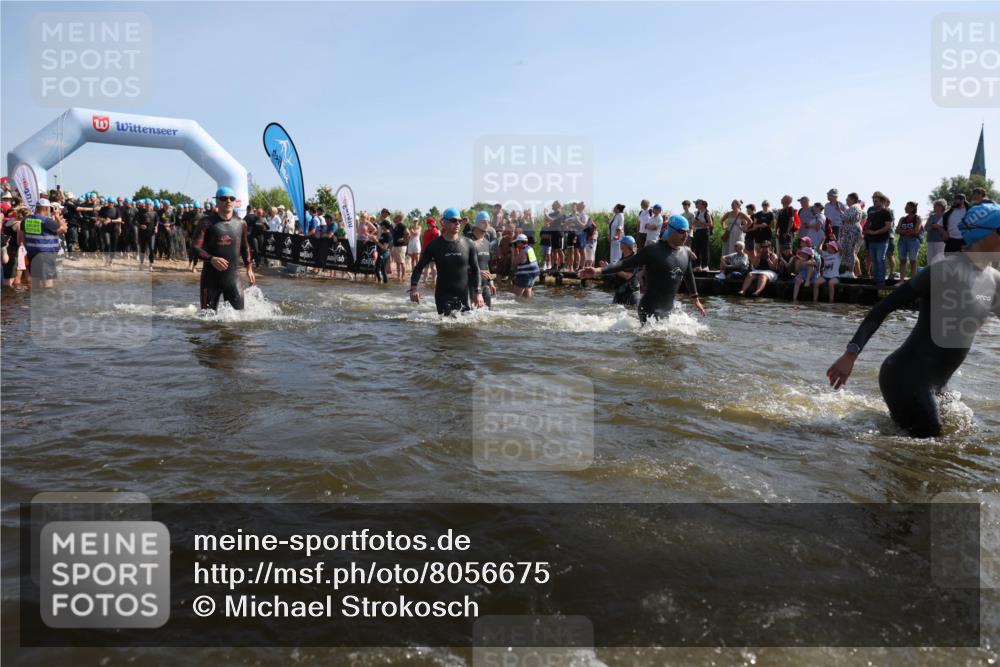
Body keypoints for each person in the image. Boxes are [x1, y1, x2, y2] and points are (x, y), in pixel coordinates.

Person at [827, 201, 1000, 438]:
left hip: (938, 384)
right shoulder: (944, 270)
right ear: (984, 234)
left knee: (967, 433)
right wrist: (851, 354)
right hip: (905, 376)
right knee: (931, 442)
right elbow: (883, 307)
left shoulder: (994, 280)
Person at [579, 215, 706, 322]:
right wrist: (599, 270)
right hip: (649, 308)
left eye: (687, 231)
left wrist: (695, 299)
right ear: (670, 230)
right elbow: (625, 264)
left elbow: (689, 275)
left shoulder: (686, 253)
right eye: (681, 231)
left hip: (668, 309)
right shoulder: (653, 251)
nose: (685, 235)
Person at [409, 207, 484, 315]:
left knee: (466, 329)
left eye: (459, 221)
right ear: (444, 222)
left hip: (464, 295)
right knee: (445, 327)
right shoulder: (434, 245)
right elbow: (419, 267)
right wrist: (413, 288)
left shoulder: (468, 244)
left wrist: (478, 293)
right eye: (454, 220)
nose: (457, 223)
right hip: (443, 295)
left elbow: (475, 269)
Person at [192, 187, 255, 311]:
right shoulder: (206, 222)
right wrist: (211, 259)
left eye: (231, 198)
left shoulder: (241, 223)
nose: (228, 201)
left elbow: (245, 246)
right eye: (224, 198)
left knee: (240, 318)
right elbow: (195, 247)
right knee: (207, 320)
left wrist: (249, 267)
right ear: (217, 201)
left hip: (233, 278)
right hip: (210, 280)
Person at [20, 198, 66, 288]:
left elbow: (23, 238)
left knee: (36, 280)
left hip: (32, 254)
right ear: (46, 208)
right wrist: (57, 216)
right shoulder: (47, 221)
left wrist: (28, 249)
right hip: (46, 255)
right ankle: (46, 301)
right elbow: (63, 229)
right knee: (47, 282)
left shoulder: (25, 220)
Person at [864, 191, 894, 285]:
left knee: (880, 259)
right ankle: (875, 279)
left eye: (876, 201)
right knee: (874, 260)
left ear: (881, 202)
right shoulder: (872, 213)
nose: (874, 203)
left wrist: (874, 232)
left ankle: (881, 281)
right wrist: (866, 229)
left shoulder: (886, 212)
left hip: (882, 240)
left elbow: (888, 227)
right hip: (872, 240)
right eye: (873, 201)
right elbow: (868, 224)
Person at [602, 235, 639, 305]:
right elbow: (616, 275)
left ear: (625, 246)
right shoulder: (622, 259)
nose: (620, 245)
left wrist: (612, 269)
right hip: (621, 292)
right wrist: (607, 268)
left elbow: (627, 276)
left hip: (630, 294)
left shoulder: (634, 260)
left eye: (621, 243)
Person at [469, 214, 496, 308]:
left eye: (488, 222)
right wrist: (478, 272)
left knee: (487, 316)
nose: (486, 224)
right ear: (476, 223)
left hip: (485, 286)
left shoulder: (487, 243)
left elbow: (487, 265)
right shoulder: (468, 241)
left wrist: (491, 281)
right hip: (471, 285)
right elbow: (460, 265)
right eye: (483, 222)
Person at [838, 192, 864, 278]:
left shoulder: (854, 207)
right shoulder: (856, 207)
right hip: (851, 231)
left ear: (853, 199)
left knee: (851, 251)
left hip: (852, 231)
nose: (846, 201)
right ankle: (849, 271)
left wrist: (840, 212)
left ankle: (850, 272)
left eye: (848, 199)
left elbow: (848, 218)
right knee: (849, 251)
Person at [896, 202, 923, 280]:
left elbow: (916, 231)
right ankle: (901, 280)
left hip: (914, 241)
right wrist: (909, 230)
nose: (905, 208)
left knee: (913, 261)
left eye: (907, 207)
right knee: (902, 260)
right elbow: (897, 230)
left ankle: (913, 281)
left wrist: (904, 231)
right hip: (902, 241)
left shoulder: (918, 218)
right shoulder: (902, 219)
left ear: (912, 208)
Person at [511, 233, 540, 298]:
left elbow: (514, 263)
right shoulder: (530, 249)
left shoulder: (523, 252)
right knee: (527, 296)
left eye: (517, 242)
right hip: (532, 275)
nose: (516, 245)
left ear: (520, 242)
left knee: (515, 297)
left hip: (525, 275)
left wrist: (513, 251)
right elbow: (525, 261)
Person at [692, 200, 714, 271]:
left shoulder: (707, 213)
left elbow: (710, 224)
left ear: (703, 205)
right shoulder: (698, 212)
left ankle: (705, 266)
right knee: (697, 249)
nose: (696, 204)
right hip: (697, 232)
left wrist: (701, 223)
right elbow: (694, 223)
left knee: (704, 249)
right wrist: (696, 224)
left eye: (698, 203)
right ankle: (698, 266)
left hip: (704, 232)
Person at [925, 198, 948, 265]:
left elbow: (948, 228)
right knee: (930, 260)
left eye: (935, 206)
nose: (933, 207)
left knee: (939, 260)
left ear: (941, 206)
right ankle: (930, 275)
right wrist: (930, 227)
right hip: (930, 240)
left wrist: (937, 226)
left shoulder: (945, 216)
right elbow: (925, 227)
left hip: (940, 241)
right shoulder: (931, 216)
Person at [390, 213, 409, 281]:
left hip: (401, 246)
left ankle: (403, 276)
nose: (394, 218)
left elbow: (408, 233)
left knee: (401, 262)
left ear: (399, 218)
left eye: (396, 217)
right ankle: (398, 276)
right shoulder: (397, 225)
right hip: (396, 246)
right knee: (397, 262)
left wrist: (403, 239)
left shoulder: (402, 225)